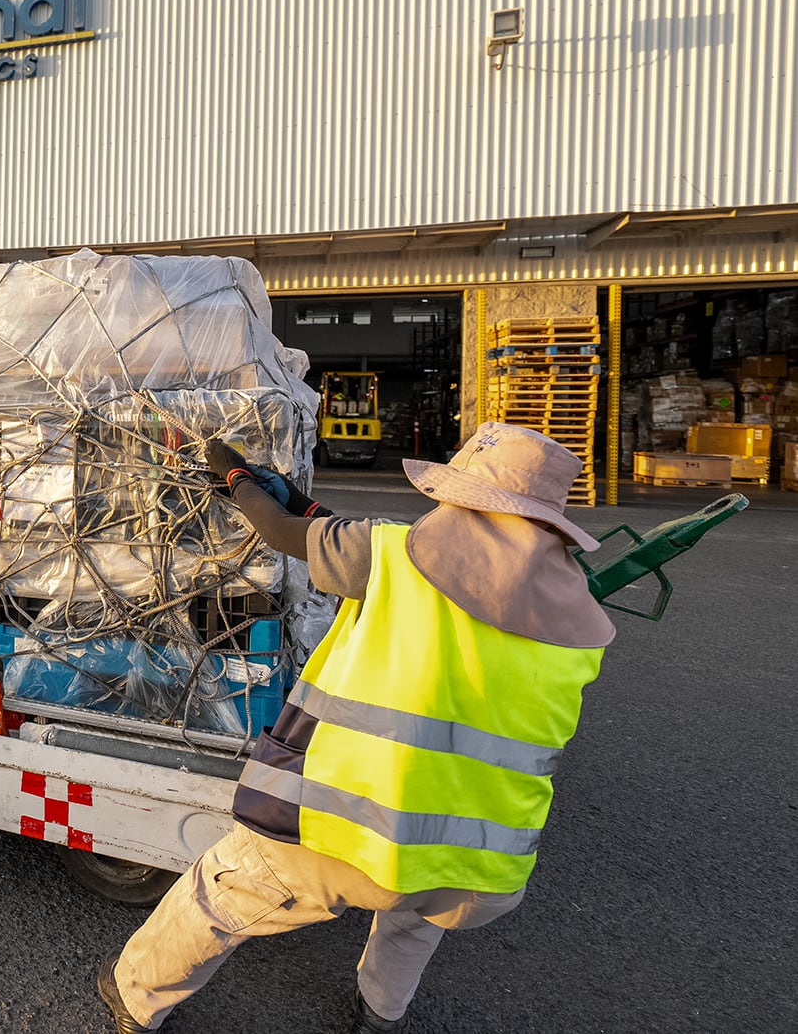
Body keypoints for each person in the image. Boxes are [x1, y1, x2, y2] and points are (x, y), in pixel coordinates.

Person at [97, 422, 615, 1033]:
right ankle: (379, 1014)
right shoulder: (579, 624)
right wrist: (299, 499)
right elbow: (375, 552)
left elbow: (283, 533)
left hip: (352, 827)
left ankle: (135, 997)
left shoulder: (390, 556)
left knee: (224, 889)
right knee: (413, 920)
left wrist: (236, 477)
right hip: (481, 858)